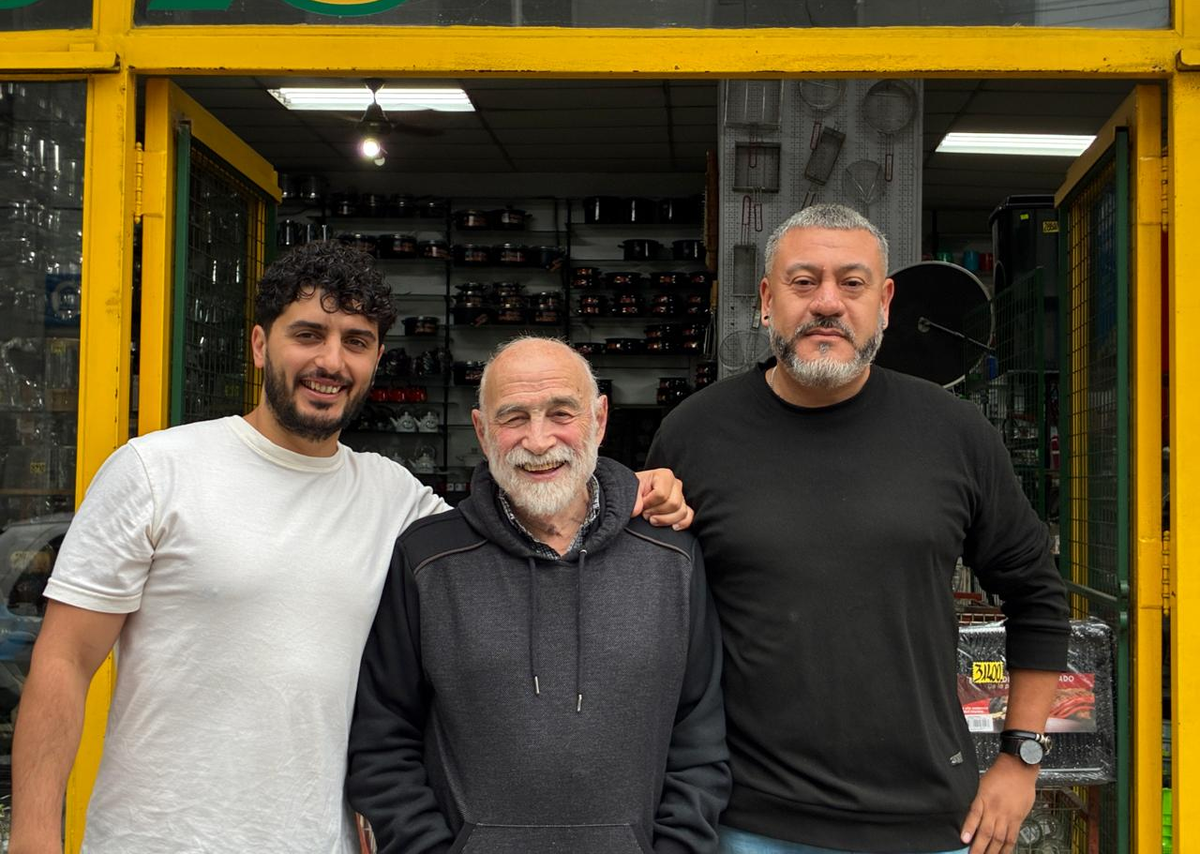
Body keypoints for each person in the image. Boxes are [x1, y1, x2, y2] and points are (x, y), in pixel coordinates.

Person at [11, 243, 692, 854]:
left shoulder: (394, 499)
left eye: (356, 341)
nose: (330, 361)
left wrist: (630, 484)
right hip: (159, 838)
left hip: (320, 839)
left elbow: (530, 506)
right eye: (307, 334)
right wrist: (36, 838)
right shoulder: (156, 471)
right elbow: (65, 663)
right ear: (258, 344)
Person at [647, 204, 1070, 854]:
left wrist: (1023, 758)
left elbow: (1037, 595)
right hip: (747, 824)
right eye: (803, 281)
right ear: (766, 300)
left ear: (886, 301)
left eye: (851, 283)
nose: (827, 304)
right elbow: (647, 613)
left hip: (930, 823)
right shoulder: (695, 434)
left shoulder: (953, 433)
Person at [346, 337, 731, 854]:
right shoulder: (427, 561)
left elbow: (699, 742)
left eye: (561, 413)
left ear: (599, 418)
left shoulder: (672, 557)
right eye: (514, 418)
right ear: (482, 432)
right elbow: (383, 742)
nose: (540, 439)